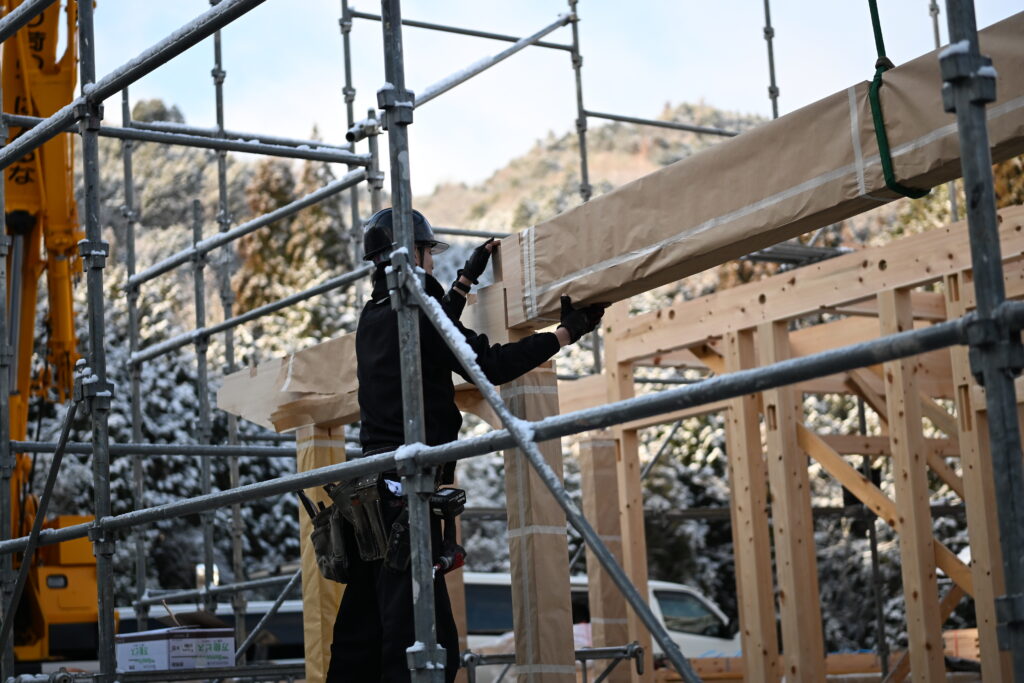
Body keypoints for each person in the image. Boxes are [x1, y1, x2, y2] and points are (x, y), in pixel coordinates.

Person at [326, 208, 605, 682]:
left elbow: (432, 335)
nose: (432, 262)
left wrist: (464, 282)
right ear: (413, 254)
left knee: (363, 633)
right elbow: (487, 365)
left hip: (370, 495)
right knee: (423, 640)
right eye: (428, 254)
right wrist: (564, 334)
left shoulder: (374, 315)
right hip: (403, 495)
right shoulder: (417, 311)